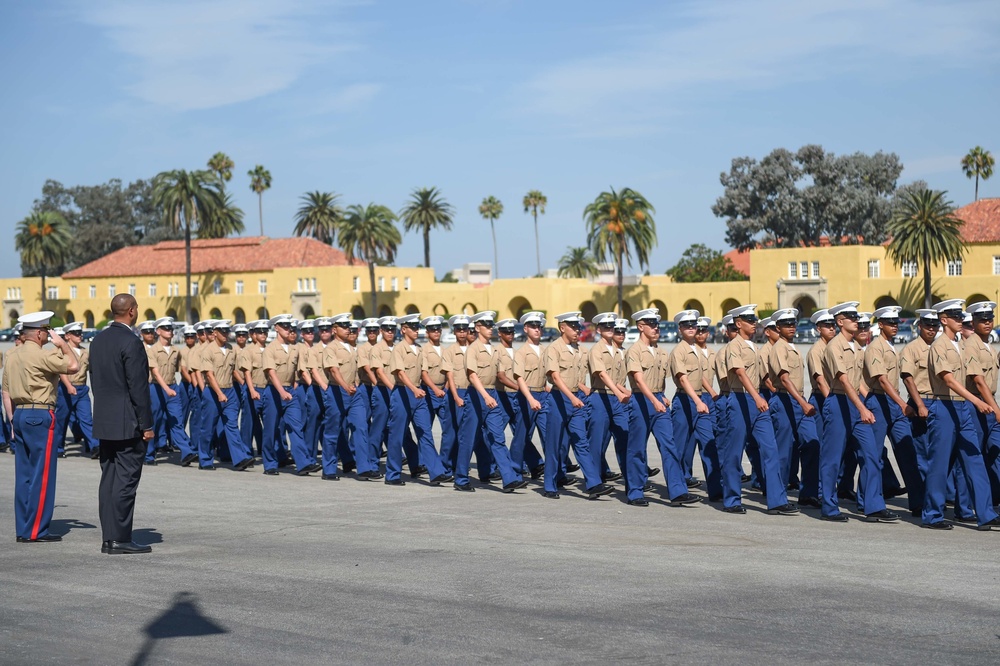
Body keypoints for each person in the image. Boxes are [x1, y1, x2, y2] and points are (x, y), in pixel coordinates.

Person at [922, 299, 999, 530]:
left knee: (974, 459)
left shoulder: (962, 345)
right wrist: (978, 400)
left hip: (963, 408)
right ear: (944, 320)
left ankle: (986, 514)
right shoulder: (939, 346)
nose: (960, 320)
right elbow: (948, 379)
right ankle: (932, 514)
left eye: (961, 316)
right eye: (955, 316)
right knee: (940, 463)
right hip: (944, 406)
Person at [820, 302, 896, 523]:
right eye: (851, 317)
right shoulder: (834, 346)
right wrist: (862, 407)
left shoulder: (857, 348)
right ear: (840, 321)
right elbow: (843, 381)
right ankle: (829, 507)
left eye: (857, 317)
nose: (857, 321)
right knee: (832, 459)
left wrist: (865, 404)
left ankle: (873, 506)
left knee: (871, 454)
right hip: (838, 403)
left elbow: (860, 382)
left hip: (856, 404)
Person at [6, 311, 79, 543]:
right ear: (38, 333)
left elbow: (5, 389)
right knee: (43, 473)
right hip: (39, 414)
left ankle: (24, 528)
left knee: (25, 475)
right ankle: (37, 530)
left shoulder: (12, 355)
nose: (49, 335)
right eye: (47, 331)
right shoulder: (40, 355)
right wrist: (64, 345)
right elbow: (74, 365)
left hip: (19, 414)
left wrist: (11, 420)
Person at [90, 295, 154, 554]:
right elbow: (138, 388)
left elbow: (96, 380)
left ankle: (109, 537)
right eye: (136, 307)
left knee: (109, 479)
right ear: (130, 311)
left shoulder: (97, 340)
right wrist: (146, 424)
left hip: (105, 420)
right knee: (126, 481)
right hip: (127, 422)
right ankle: (120, 539)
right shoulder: (131, 342)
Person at [723, 304, 797, 516]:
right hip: (740, 399)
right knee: (734, 452)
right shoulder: (734, 346)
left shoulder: (755, 348)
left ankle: (777, 500)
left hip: (758, 401)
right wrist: (756, 397)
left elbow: (764, 377)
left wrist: (771, 394)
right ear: (738, 323)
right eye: (749, 320)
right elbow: (739, 372)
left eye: (754, 319)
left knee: (771, 449)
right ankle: (732, 499)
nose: (753, 323)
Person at [623, 308, 696, 507]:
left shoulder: (662, 352)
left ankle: (678, 491)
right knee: (637, 448)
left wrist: (661, 396)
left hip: (658, 401)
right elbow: (638, 379)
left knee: (669, 445)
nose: (656, 328)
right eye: (651, 324)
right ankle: (635, 492)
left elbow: (666, 378)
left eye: (657, 324)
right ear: (640, 326)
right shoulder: (634, 351)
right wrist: (653, 400)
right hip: (640, 400)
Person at [542, 312, 612, 500]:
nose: (577, 330)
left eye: (578, 327)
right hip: (559, 399)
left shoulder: (581, 351)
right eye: (573, 327)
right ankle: (549, 484)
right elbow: (555, 377)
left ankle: (594, 483)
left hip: (576, 399)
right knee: (554, 444)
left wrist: (584, 391)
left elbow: (579, 377)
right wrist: (571, 397)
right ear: (562, 327)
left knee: (581, 441)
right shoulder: (554, 349)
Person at [863, 306, 924, 516]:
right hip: (880, 402)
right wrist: (902, 404)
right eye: (890, 323)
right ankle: (870, 503)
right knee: (874, 454)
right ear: (880, 325)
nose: (895, 326)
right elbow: (882, 379)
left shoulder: (890, 346)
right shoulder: (875, 348)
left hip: (894, 404)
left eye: (896, 322)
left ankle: (918, 502)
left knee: (907, 451)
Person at [457, 312, 527, 493]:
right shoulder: (472, 349)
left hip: (492, 394)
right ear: (478, 327)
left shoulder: (495, 350)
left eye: (491, 325)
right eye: (487, 326)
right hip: (476, 396)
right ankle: (461, 478)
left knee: (498, 437)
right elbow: (472, 375)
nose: (490, 329)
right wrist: (485, 396)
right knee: (469, 438)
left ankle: (509, 478)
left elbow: (500, 375)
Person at [387, 313, 452, 486]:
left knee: (425, 433)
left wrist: (424, 389)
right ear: (404, 329)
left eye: (418, 327)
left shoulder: (419, 349)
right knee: (397, 435)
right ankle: (392, 474)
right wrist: (414, 389)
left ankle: (436, 472)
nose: (417, 330)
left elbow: (424, 373)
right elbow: (400, 373)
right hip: (402, 393)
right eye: (413, 327)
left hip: (419, 393)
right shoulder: (399, 349)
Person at [766, 308, 820, 508]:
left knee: (812, 443)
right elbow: (784, 379)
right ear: (778, 327)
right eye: (787, 324)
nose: (792, 327)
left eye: (793, 323)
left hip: (798, 401)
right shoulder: (779, 348)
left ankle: (808, 493)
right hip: (784, 400)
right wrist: (803, 403)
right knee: (783, 452)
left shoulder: (792, 347)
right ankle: (777, 499)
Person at [669, 309, 719, 496]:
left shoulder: (697, 351)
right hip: (685, 401)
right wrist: (698, 400)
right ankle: (677, 490)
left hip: (700, 400)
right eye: (686, 325)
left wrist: (707, 396)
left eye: (693, 325)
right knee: (680, 448)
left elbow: (702, 377)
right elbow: (683, 379)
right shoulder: (678, 352)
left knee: (709, 444)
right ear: (680, 329)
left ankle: (716, 490)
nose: (691, 328)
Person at [261, 314, 314, 476]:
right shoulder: (270, 349)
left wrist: (298, 386)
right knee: (271, 429)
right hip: (273, 392)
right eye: (283, 326)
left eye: (289, 326)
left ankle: (303, 463)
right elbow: (271, 372)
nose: (287, 329)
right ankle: (270, 463)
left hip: (290, 393)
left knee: (296, 427)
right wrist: (281, 391)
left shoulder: (294, 349)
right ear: (276, 328)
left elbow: (300, 370)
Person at [202, 320, 254, 471]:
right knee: (208, 427)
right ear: (215, 333)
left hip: (230, 391)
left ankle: (239, 459)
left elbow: (233, 370)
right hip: (212, 391)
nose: (226, 334)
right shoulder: (208, 351)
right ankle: (205, 459)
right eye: (222, 331)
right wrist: (219, 393)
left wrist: (243, 383)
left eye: (227, 331)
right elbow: (209, 375)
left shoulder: (231, 349)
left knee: (231, 424)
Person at [964, 301, 1000, 506]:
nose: (987, 323)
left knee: (994, 451)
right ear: (974, 321)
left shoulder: (988, 345)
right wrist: (996, 409)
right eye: (982, 319)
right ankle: (966, 505)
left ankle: (993, 498)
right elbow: (978, 380)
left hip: (989, 402)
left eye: (990, 319)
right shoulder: (971, 345)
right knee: (973, 456)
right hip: (976, 404)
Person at [587, 312, 630, 483]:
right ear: (598, 330)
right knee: (596, 443)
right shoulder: (596, 350)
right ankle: (594, 481)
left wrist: (624, 392)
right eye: (606, 327)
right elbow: (603, 375)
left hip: (617, 400)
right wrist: (619, 392)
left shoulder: (618, 351)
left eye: (611, 326)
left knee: (625, 436)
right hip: (600, 398)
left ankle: (632, 479)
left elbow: (620, 378)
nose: (610, 329)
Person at [512, 311, 548, 479]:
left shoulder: (545, 351)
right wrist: (530, 399)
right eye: (533, 326)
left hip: (543, 395)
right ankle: (515, 473)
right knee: (522, 436)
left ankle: (557, 473)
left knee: (550, 435)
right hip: (528, 396)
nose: (537, 330)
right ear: (525, 329)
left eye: (539, 327)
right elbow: (519, 378)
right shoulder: (521, 352)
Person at [57, 322, 100, 459]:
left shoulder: (84, 352)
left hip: (81, 389)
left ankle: (94, 446)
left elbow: (89, 371)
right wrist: (69, 386)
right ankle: (58, 447)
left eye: (80, 333)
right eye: (76, 333)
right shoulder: (62, 351)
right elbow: (60, 371)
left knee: (86, 418)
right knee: (62, 420)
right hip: (65, 388)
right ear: (68, 336)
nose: (80, 335)